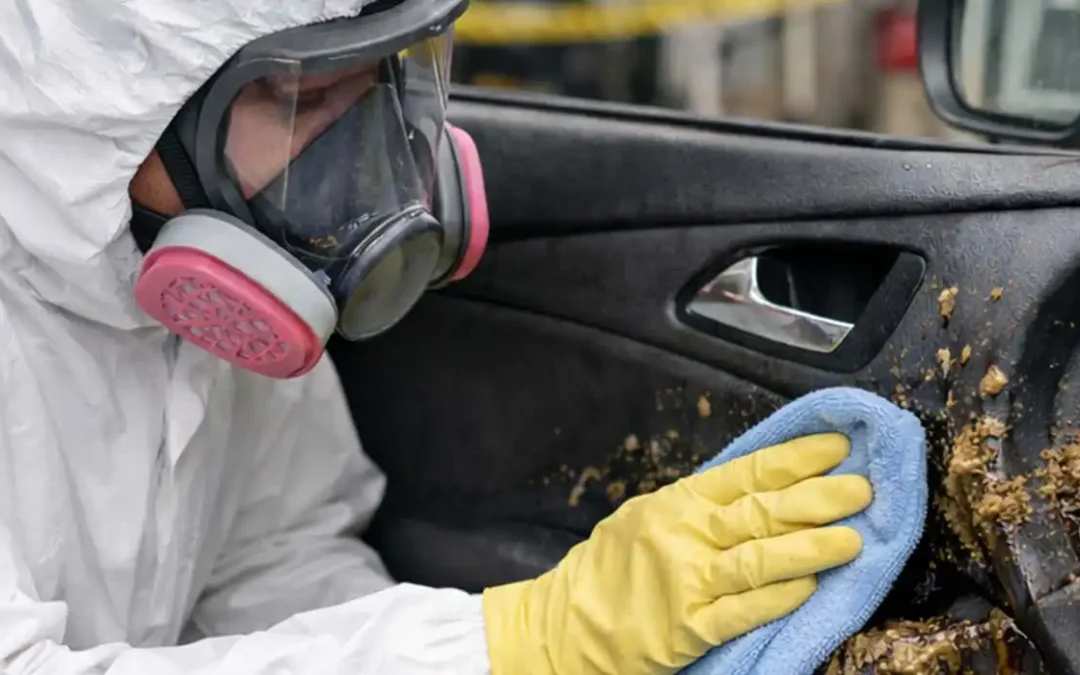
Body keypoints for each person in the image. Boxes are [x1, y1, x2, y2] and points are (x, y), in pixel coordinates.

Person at [0, 0, 874, 673]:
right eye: (302, 99)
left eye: (382, 81)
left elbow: (275, 563)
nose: (366, 158)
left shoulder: (197, 287)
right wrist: (511, 645)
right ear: (112, 100)